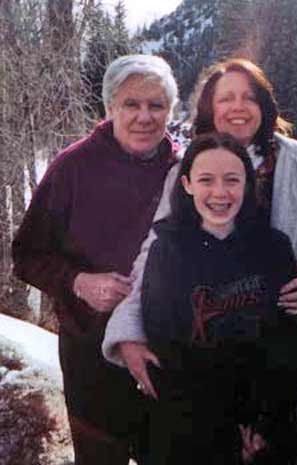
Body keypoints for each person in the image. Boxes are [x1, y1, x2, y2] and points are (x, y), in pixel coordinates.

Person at [103, 58, 297, 464]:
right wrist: (128, 333)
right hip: (207, 380)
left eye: (248, 97)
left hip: (289, 356)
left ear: (264, 105)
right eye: (226, 98)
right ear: (210, 108)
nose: (238, 107)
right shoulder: (188, 169)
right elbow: (155, 255)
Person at [12, 54, 179, 465]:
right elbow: (26, 254)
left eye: (156, 105)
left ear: (170, 111)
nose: (144, 116)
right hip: (91, 354)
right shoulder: (73, 167)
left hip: (165, 349)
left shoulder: (184, 170)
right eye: (131, 104)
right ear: (109, 108)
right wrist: (79, 281)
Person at [139, 132, 297, 464]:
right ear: (187, 184)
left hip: (265, 432)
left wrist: (265, 421)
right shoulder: (166, 250)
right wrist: (218, 434)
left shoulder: (273, 248)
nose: (220, 192)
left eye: (232, 180)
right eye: (206, 179)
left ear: (247, 184)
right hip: (190, 433)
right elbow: (164, 345)